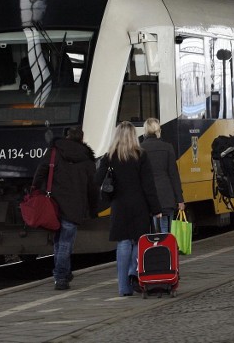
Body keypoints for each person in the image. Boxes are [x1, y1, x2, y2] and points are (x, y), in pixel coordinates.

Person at [95, 121, 162, 297]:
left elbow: (97, 181)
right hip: (139, 205)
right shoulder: (141, 155)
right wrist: (156, 208)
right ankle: (134, 272)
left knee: (123, 243)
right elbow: (149, 185)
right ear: (134, 136)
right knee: (139, 242)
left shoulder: (109, 156)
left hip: (119, 205)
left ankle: (123, 287)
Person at [32, 126, 98, 291]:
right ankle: (61, 276)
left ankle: (62, 274)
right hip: (74, 206)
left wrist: (36, 190)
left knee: (58, 240)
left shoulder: (54, 152)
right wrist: (93, 209)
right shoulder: (88, 159)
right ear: (82, 139)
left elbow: (40, 173)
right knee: (66, 243)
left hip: (54, 204)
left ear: (66, 137)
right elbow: (93, 188)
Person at [140, 118, 185, 232]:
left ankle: (154, 247)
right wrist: (180, 199)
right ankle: (165, 248)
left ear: (145, 131)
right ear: (158, 130)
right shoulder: (167, 147)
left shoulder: (140, 149)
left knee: (150, 229)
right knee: (166, 228)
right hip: (166, 195)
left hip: (148, 195)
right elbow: (173, 175)